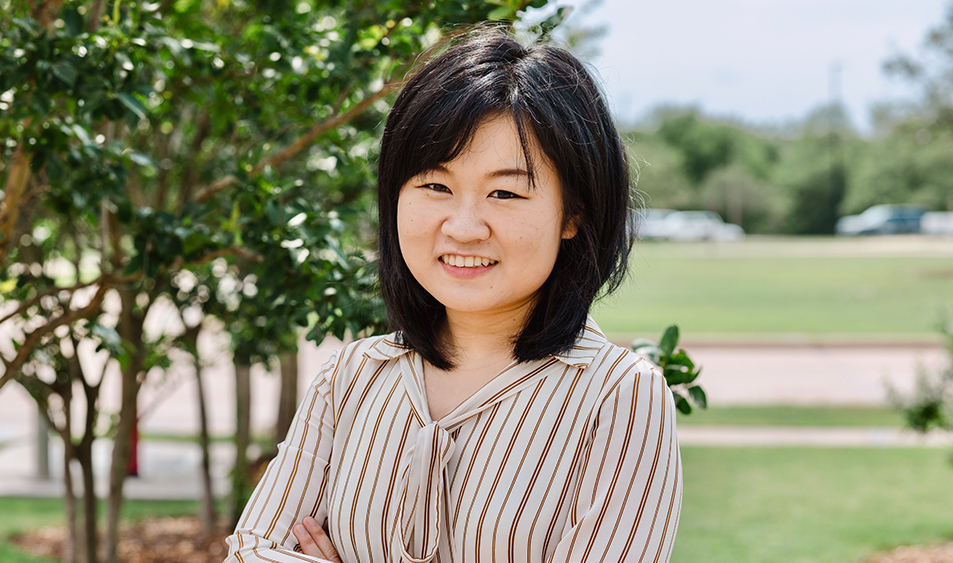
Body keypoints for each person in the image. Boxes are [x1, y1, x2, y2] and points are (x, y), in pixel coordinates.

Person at [225, 26, 682, 563]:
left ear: (573, 215)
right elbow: (251, 552)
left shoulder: (620, 397)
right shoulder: (352, 377)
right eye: (435, 186)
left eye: (505, 192)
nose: (463, 227)